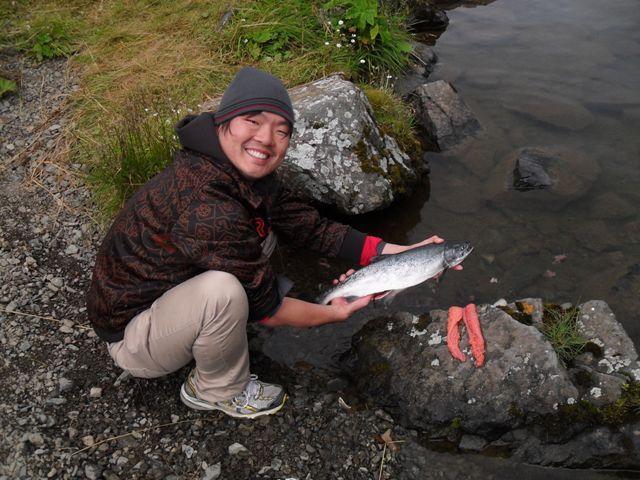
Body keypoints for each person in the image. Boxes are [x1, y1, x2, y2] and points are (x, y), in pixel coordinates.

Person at [87, 67, 460, 419]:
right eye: (253, 121)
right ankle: (215, 389)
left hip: (166, 295)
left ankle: (212, 331)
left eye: (281, 130)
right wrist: (331, 312)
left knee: (258, 246)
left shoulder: (231, 169)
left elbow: (310, 227)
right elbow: (269, 309)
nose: (266, 139)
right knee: (225, 292)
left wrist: (399, 254)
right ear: (224, 120)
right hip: (133, 338)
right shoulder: (208, 202)